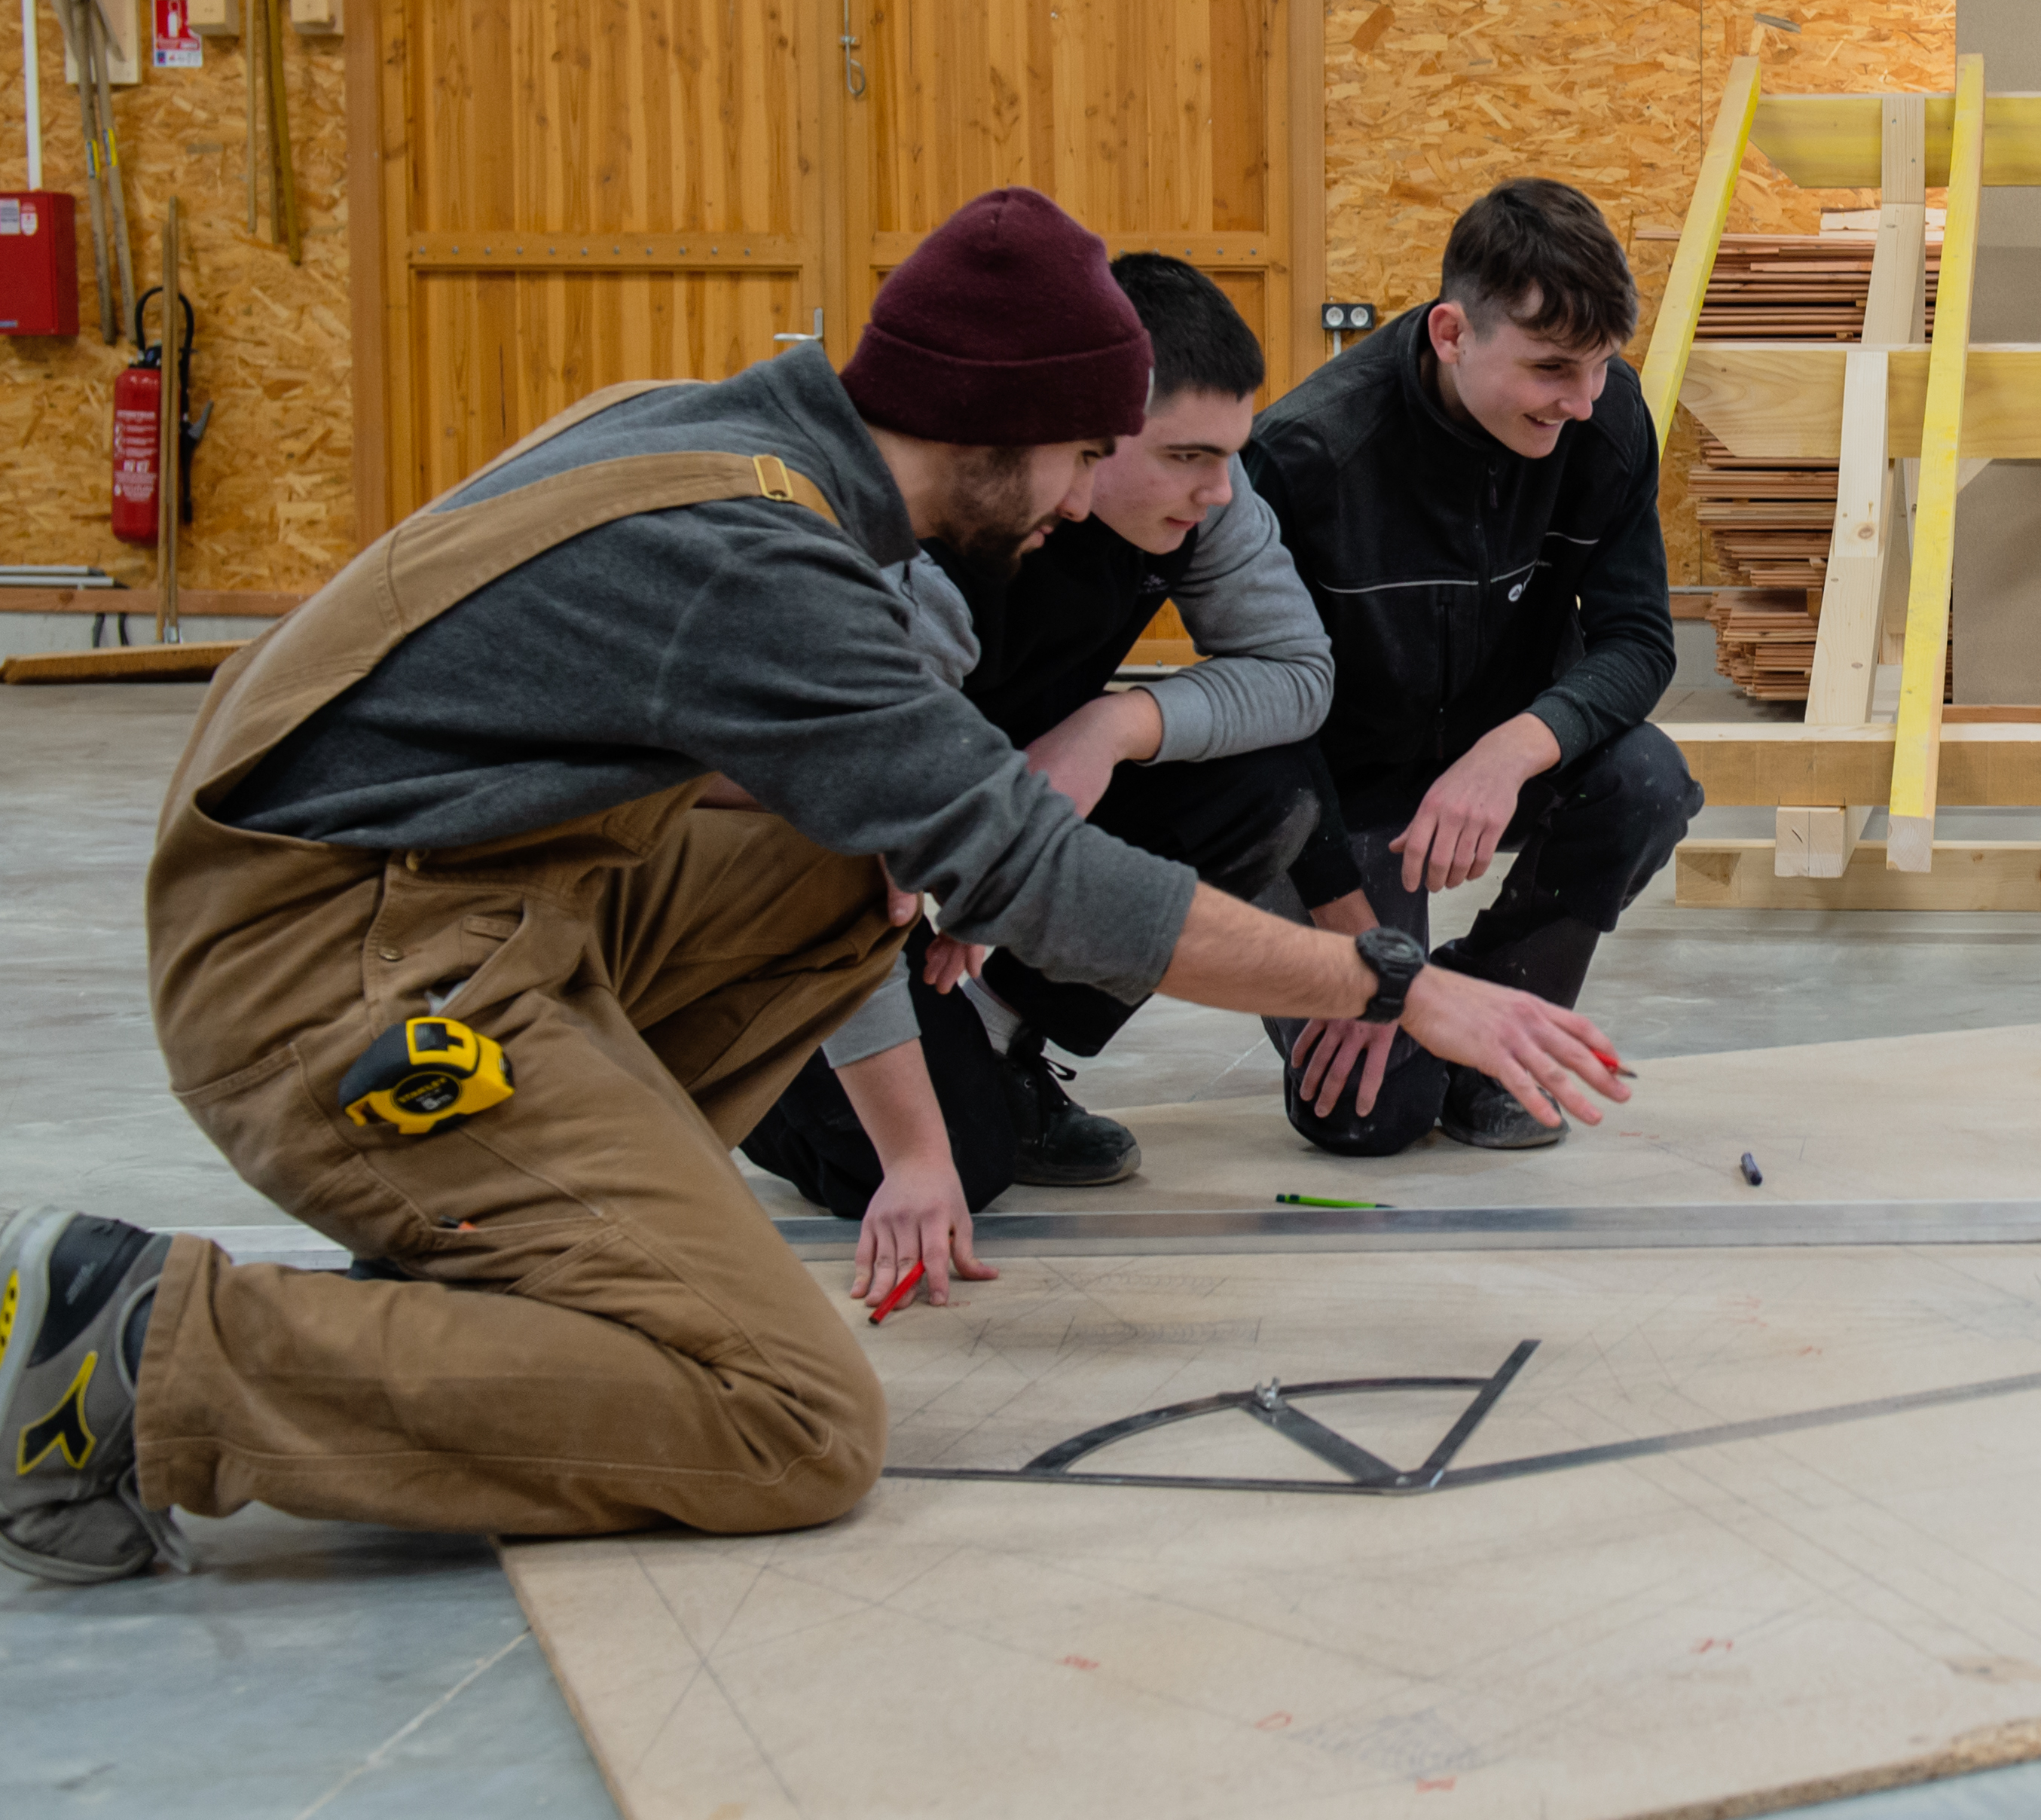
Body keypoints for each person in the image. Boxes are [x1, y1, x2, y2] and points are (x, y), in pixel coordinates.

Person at [0, 189, 1624, 1587]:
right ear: (999, 433)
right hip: (329, 977)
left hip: (448, 894)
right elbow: (1034, 875)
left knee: (842, 858)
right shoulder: (769, 568)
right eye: (1077, 461)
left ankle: (492, 1281)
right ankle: (143, 1352)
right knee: (785, 1421)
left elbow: (935, 839)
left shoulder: (719, 432)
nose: (1080, 505)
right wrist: (1396, 983)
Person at [740, 252, 1358, 1219]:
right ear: (1086, 426)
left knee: (1270, 780)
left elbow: (1297, 674)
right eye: (1185, 455)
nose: (1221, 491)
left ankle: (994, 1038)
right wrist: (972, 845)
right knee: (942, 1167)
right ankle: (732, 1064)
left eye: (1230, 452)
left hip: (976, 800)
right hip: (840, 845)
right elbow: (826, 816)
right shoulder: (923, 536)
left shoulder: (1213, 501)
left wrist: (1111, 726)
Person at [1242, 176, 1702, 1157]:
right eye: (1549, 371)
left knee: (1645, 778)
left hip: (1496, 753)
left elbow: (1638, 639)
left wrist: (1513, 749)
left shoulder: (1603, 415)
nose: (1582, 403)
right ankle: (1377, 981)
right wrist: (1356, 948)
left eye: (1599, 367)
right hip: (1342, 791)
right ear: (1451, 333)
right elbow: (1261, 722)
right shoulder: (1309, 455)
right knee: (1367, 1121)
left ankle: (1486, 997)